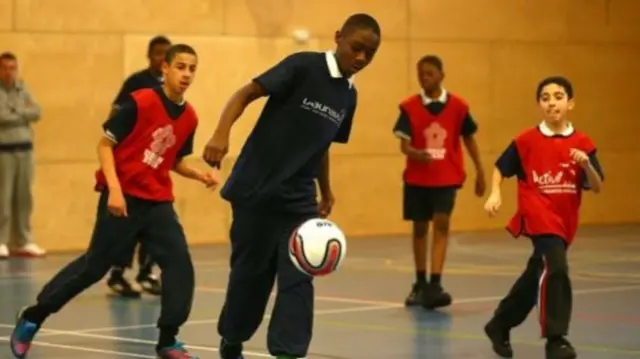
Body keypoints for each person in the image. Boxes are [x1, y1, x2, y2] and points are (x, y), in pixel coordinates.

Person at [9, 44, 215, 359]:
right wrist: (115, 190)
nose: (186, 74)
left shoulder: (190, 117)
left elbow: (172, 161)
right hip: (124, 195)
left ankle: (168, 340)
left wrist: (199, 175)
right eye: (180, 67)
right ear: (165, 68)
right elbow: (105, 146)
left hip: (157, 201)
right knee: (94, 267)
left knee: (179, 265)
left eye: (192, 68)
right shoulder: (140, 102)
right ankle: (34, 316)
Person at [202, 13, 381, 359]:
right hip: (256, 190)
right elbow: (247, 92)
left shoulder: (349, 96)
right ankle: (232, 341)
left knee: (299, 278)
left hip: (299, 201)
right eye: (357, 48)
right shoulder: (303, 66)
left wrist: (325, 190)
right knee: (250, 277)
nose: (361, 58)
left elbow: (322, 143)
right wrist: (221, 134)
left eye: (369, 54)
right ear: (338, 37)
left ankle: (287, 353)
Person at [482, 76, 604, 359]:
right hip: (538, 215)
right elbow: (501, 167)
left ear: (570, 103)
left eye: (558, 96)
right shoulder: (526, 140)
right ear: (539, 104)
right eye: (546, 97)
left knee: (537, 274)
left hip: (565, 221)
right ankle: (556, 338)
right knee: (557, 267)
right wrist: (495, 193)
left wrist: (587, 166)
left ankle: (499, 324)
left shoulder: (583, 143)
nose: (552, 102)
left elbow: (596, 186)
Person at [392, 55, 485, 309]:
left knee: (442, 224)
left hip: (446, 176)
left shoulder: (459, 107)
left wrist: (480, 170)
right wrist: (415, 154)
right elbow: (404, 145)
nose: (425, 78)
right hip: (418, 178)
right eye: (421, 73)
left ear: (442, 75)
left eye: (430, 73)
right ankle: (420, 282)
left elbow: (469, 140)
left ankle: (435, 283)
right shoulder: (409, 107)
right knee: (420, 228)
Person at [106, 34, 172, 298]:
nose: (162, 59)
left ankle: (147, 272)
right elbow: (114, 117)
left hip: (156, 167)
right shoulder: (136, 83)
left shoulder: (170, 88)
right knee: (128, 224)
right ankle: (118, 272)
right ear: (150, 56)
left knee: (155, 224)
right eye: (158, 53)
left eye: (167, 54)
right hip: (133, 167)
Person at [0, 52, 46, 259]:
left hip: (25, 149)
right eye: (5, 68)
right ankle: (1, 240)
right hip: (4, 150)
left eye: (12, 68)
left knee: (24, 197)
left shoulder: (22, 88)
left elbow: (36, 111)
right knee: (3, 197)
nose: (9, 72)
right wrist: (22, 113)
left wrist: (15, 112)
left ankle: (23, 240)